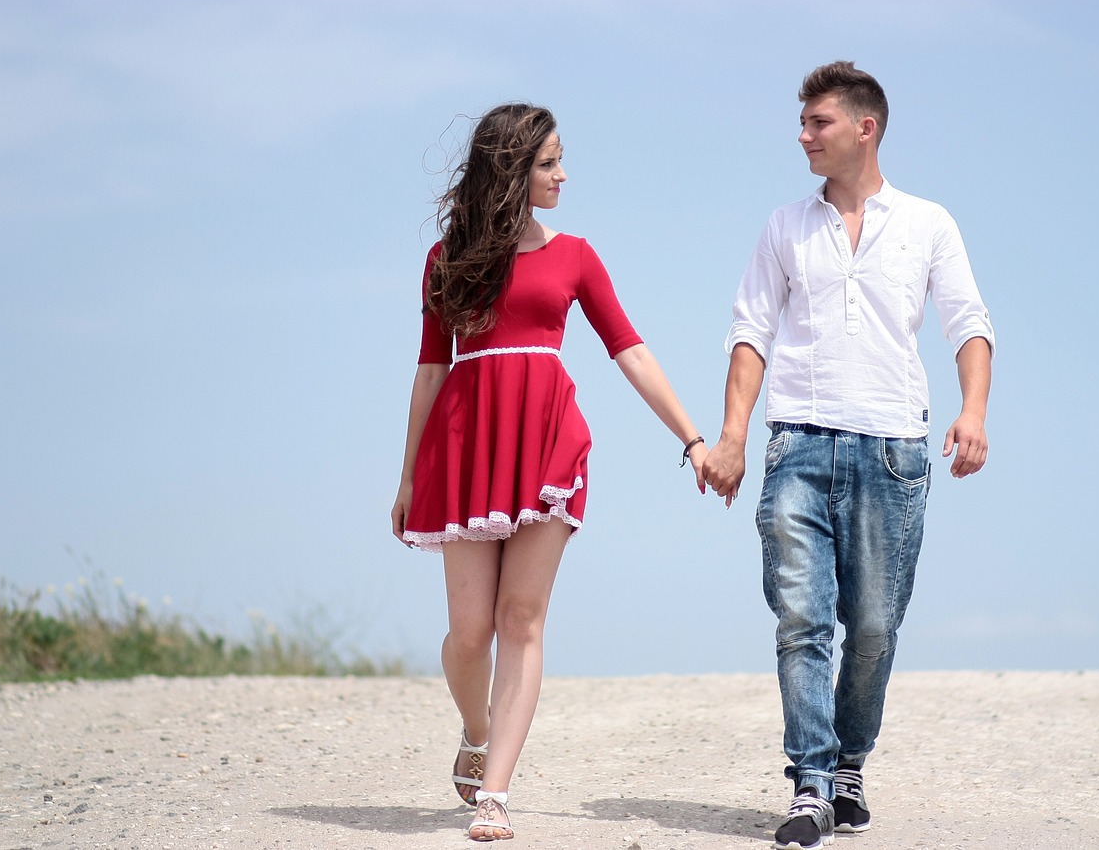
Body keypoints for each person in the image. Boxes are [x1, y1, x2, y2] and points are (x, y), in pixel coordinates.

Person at [390, 102, 708, 842]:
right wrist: (408, 477)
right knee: (469, 633)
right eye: (548, 162)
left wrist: (691, 437)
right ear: (511, 171)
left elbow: (630, 349)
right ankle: (478, 728)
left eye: (560, 160)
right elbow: (431, 370)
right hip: (466, 446)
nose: (563, 174)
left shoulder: (576, 255)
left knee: (520, 620)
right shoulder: (447, 260)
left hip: (546, 444)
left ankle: (494, 792)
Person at [702, 61, 995, 849]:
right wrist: (732, 436)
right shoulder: (783, 226)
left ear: (865, 128)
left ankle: (850, 762)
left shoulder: (929, 222)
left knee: (871, 627)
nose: (802, 136)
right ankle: (811, 781)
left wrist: (973, 410)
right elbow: (749, 331)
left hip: (894, 450)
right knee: (801, 620)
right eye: (802, 122)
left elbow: (969, 320)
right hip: (796, 442)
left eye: (817, 122)